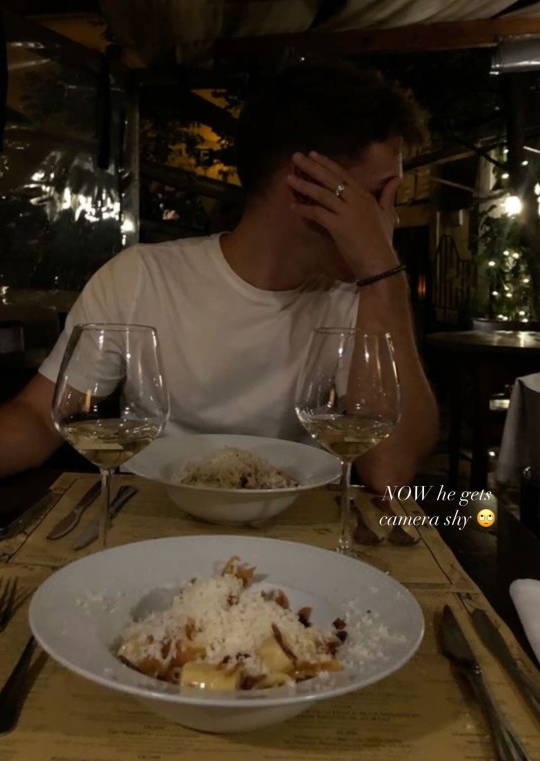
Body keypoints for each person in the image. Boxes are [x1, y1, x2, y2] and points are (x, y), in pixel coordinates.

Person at [0, 60, 438, 491]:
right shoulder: (141, 278)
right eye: (377, 195)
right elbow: (38, 418)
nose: (389, 220)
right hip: (155, 522)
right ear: (306, 182)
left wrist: (382, 272)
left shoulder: (365, 296)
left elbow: (390, 470)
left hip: (298, 527)